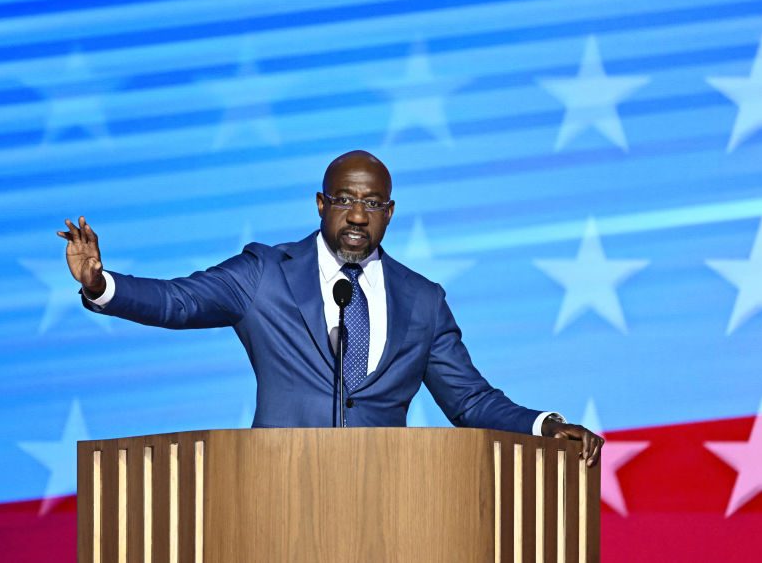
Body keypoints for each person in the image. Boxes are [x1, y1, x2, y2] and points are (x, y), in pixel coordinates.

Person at [58, 150, 603, 465]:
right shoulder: (265, 273)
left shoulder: (423, 300)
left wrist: (542, 426)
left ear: (390, 213)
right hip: (277, 493)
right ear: (322, 204)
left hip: (392, 502)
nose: (357, 216)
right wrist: (102, 282)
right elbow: (181, 300)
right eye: (344, 200)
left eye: (371, 204)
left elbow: (470, 402)